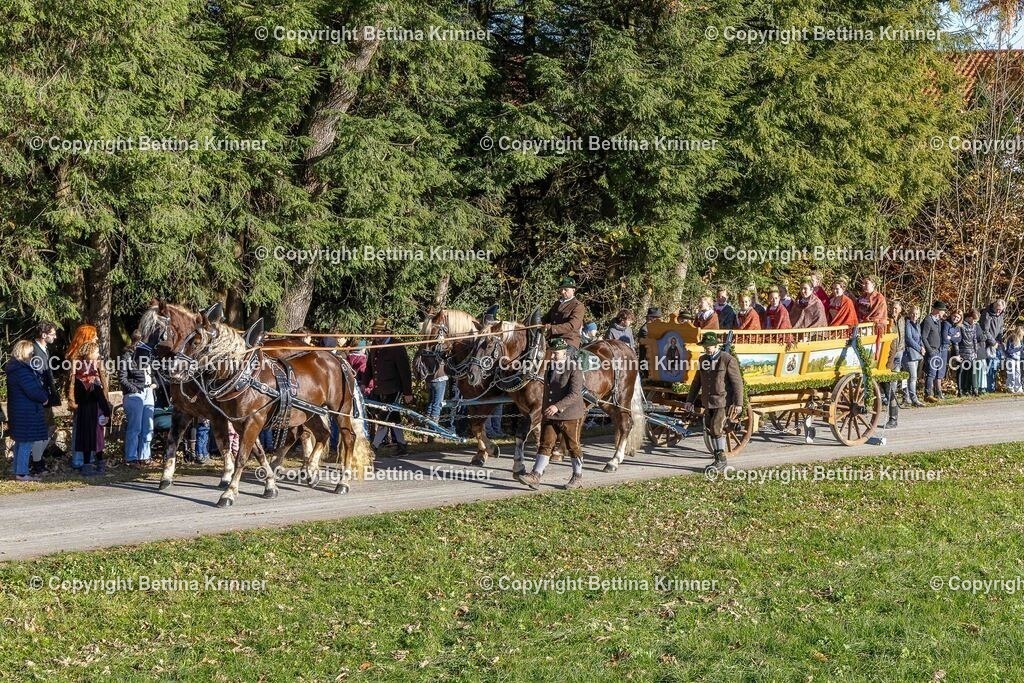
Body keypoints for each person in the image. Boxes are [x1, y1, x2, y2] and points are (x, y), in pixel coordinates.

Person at [517, 338, 586, 490]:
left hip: (570, 414)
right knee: (545, 444)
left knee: (572, 446)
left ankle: (577, 476)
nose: (553, 356)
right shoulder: (549, 367)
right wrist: (546, 410)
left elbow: (575, 394)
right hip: (550, 414)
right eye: (552, 353)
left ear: (565, 353)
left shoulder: (574, 368)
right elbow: (548, 392)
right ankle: (536, 475)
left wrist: (557, 407)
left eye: (556, 353)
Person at [683, 332, 744, 472]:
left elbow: (737, 383)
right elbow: (697, 382)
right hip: (708, 401)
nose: (707, 349)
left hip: (723, 401)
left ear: (716, 345)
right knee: (710, 429)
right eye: (705, 347)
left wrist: (738, 404)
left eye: (709, 346)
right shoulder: (703, 359)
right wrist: (690, 400)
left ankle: (721, 460)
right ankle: (718, 459)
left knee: (716, 429)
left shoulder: (727, 359)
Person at [366, 319, 413, 456]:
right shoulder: (374, 345)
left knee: (384, 419)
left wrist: (408, 392)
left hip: (394, 389)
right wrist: (364, 383)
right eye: (374, 331)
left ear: (387, 332)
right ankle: (402, 445)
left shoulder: (396, 347)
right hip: (381, 389)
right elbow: (370, 367)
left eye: (379, 332)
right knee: (394, 418)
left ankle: (373, 447)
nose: (376, 335)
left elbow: (405, 372)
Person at [5, 340, 50, 482]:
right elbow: (33, 390)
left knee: (21, 442)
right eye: (31, 352)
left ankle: (18, 471)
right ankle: (22, 473)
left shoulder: (15, 369)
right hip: (26, 412)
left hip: (19, 411)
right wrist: (44, 398)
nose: (32, 355)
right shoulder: (22, 371)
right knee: (26, 443)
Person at [69, 341, 111, 476]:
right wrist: (106, 410)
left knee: (94, 436)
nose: (98, 354)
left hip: (90, 407)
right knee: (91, 437)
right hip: (89, 407)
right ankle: (90, 465)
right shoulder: (86, 370)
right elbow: (96, 392)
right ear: (89, 353)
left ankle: (95, 463)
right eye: (96, 352)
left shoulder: (89, 367)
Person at [119, 329, 158, 467]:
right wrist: (135, 389)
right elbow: (122, 378)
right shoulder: (127, 356)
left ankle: (145, 456)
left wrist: (155, 384)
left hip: (148, 392)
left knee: (148, 427)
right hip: (135, 393)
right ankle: (131, 458)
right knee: (135, 427)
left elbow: (153, 374)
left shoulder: (148, 355)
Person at [30, 321, 59, 474]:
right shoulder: (35, 351)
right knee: (41, 431)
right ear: (43, 335)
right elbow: (37, 378)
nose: (55, 337)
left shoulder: (43, 349)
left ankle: (37, 459)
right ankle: (36, 462)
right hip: (41, 398)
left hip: (46, 396)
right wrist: (43, 397)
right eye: (52, 334)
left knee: (50, 428)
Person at [542, 276, 586, 358]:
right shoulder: (557, 304)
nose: (562, 292)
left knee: (561, 363)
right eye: (561, 289)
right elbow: (545, 319)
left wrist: (552, 328)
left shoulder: (578, 306)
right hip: (552, 340)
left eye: (566, 289)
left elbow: (572, 325)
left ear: (573, 290)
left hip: (568, 340)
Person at [882, 302, 905, 428]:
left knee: (891, 386)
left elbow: (903, 335)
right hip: (888, 355)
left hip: (897, 352)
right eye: (892, 308)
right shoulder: (888, 320)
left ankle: (893, 418)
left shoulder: (902, 320)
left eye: (896, 308)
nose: (894, 310)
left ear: (900, 309)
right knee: (888, 386)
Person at [920, 301, 947, 402]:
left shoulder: (938, 321)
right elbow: (924, 337)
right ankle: (928, 394)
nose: (944, 313)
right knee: (930, 373)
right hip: (931, 350)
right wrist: (930, 351)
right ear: (937, 310)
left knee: (935, 373)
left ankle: (936, 393)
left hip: (938, 350)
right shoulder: (928, 320)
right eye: (942, 311)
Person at [979, 299, 1006, 393]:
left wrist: (999, 340)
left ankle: (991, 387)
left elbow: (1001, 328)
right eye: (997, 309)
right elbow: (985, 330)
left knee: (994, 366)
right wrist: (993, 342)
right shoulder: (987, 314)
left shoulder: (1001, 314)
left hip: (996, 344)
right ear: (994, 306)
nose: (998, 311)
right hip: (986, 344)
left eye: (1000, 310)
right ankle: (986, 388)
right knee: (988, 366)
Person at [957, 309, 984, 397]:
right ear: (970, 318)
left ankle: (970, 389)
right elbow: (958, 340)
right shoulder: (961, 325)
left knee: (971, 371)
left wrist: (975, 351)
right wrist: (957, 352)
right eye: (974, 320)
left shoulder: (974, 326)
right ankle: (960, 390)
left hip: (972, 352)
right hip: (962, 351)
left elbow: (975, 339)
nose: (975, 322)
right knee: (961, 371)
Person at [902, 305, 925, 407]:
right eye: (913, 313)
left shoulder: (917, 324)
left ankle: (907, 398)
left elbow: (919, 338)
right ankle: (914, 399)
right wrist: (919, 348)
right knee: (913, 377)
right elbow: (908, 339)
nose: (914, 315)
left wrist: (922, 346)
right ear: (909, 313)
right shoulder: (907, 324)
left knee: (908, 377)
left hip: (916, 354)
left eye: (916, 314)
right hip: (908, 354)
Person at [943, 310, 964, 397]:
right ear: (951, 315)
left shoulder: (957, 327)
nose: (955, 318)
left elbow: (959, 339)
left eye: (958, 317)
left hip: (956, 350)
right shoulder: (946, 324)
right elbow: (945, 338)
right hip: (946, 349)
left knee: (958, 368)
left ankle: (959, 389)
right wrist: (954, 337)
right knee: (944, 369)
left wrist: (951, 337)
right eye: (954, 316)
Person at [1004, 324, 1024, 394]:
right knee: (1011, 374)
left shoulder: (1019, 340)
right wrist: (1019, 349)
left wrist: (1020, 349)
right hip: (1010, 359)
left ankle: (1018, 388)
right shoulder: (1011, 338)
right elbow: (1008, 351)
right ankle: (1010, 387)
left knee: (1018, 374)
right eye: (1021, 334)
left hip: (1017, 359)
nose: (1022, 336)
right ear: (1019, 333)